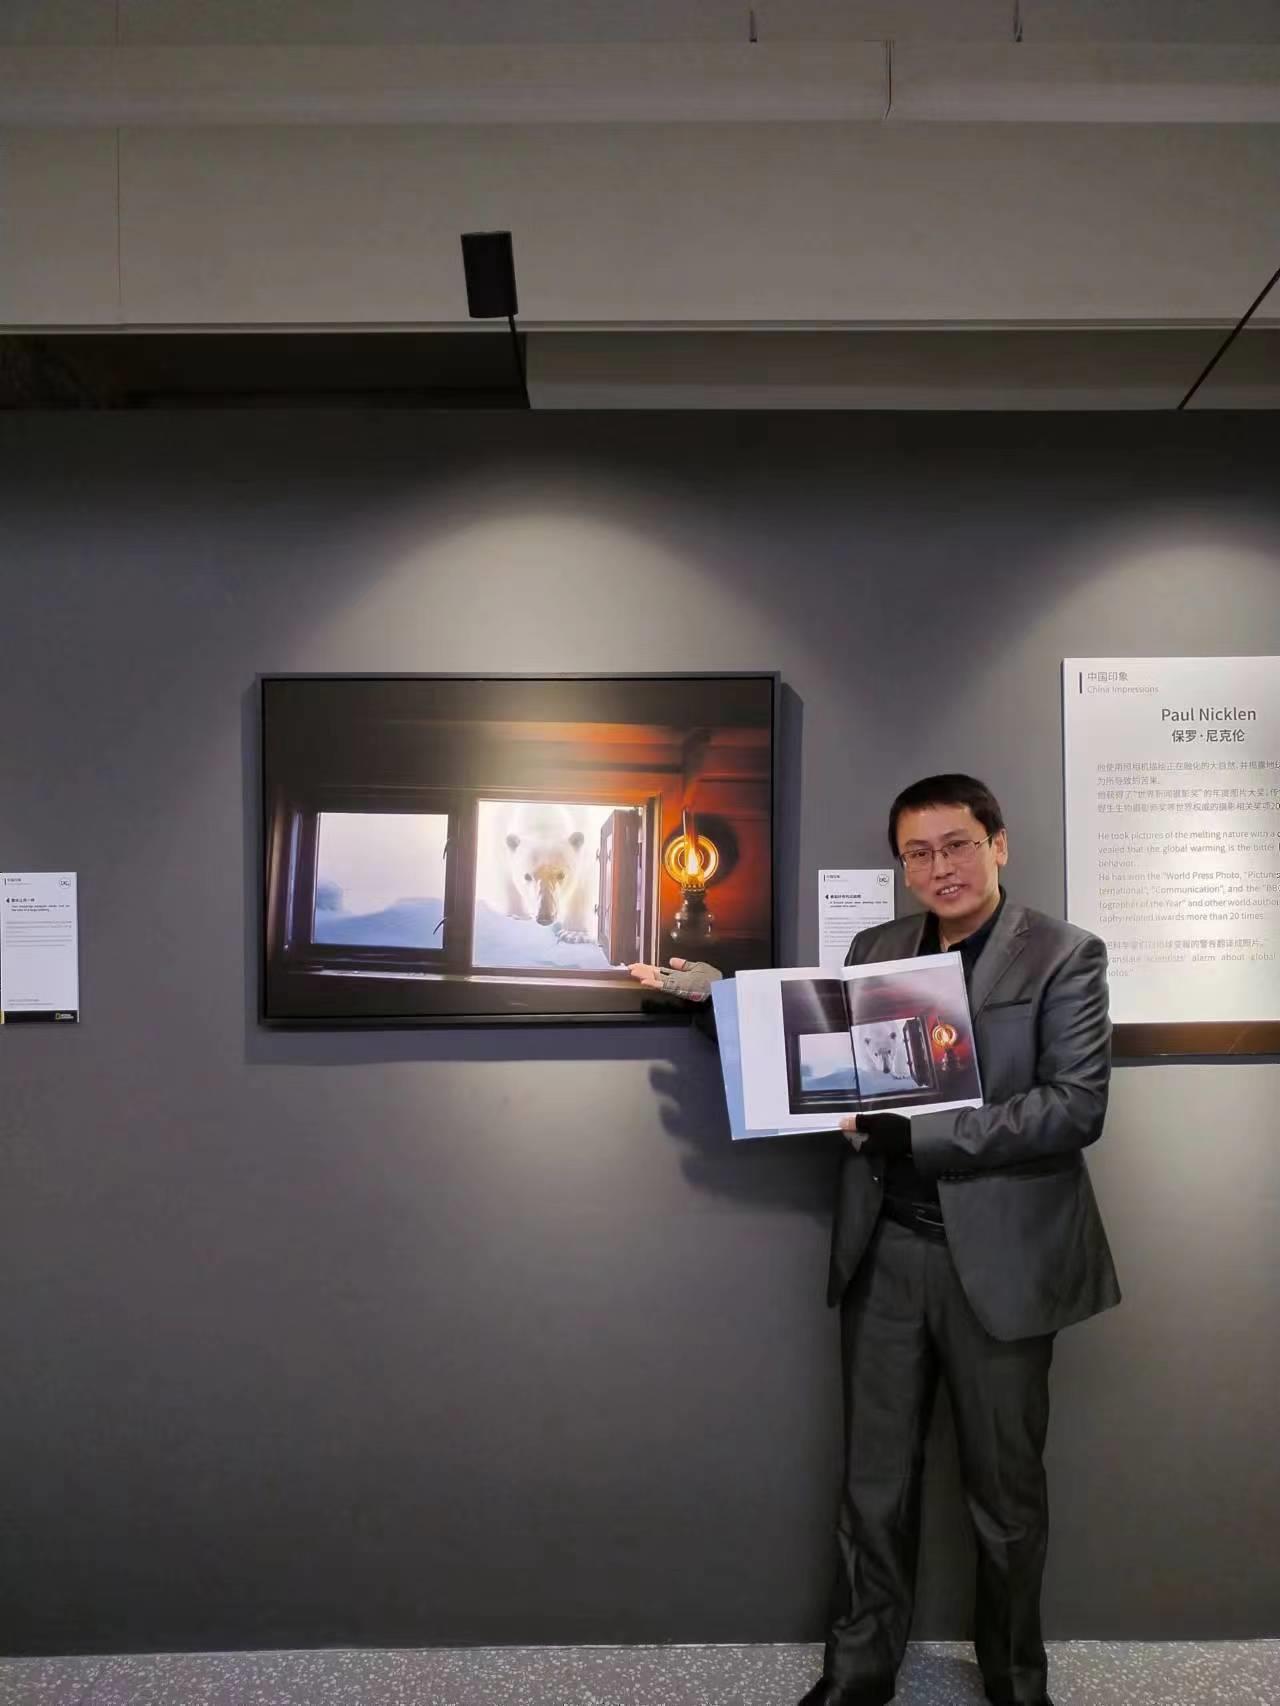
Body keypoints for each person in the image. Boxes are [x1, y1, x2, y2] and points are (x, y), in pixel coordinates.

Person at [630, 774, 1119, 1706]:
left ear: (999, 844)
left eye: (958, 844)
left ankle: (1016, 1681)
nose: (941, 867)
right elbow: (818, 1049)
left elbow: (1074, 1107)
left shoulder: (1065, 954)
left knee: (1007, 1495)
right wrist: (720, 1002)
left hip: (1004, 1260)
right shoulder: (876, 949)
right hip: (886, 1247)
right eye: (918, 853)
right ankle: (857, 1672)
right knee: (873, 1482)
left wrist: (916, 1134)